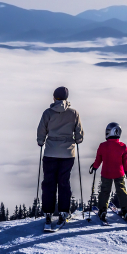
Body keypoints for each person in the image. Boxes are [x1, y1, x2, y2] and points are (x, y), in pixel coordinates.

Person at [37, 86, 84, 228]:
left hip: (50, 152)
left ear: (54, 97)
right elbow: (79, 135)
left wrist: (41, 142)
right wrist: (76, 141)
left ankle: (48, 212)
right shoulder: (74, 113)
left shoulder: (48, 113)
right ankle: (64, 211)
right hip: (67, 154)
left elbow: (41, 131)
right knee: (64, 182)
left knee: (49, 182)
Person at [90, 122, 127, 224]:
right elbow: (125, 161)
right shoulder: (122, 146)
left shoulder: (102, 146)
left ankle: (103, 211)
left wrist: (94, 167)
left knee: (105, 191)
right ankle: (126, 211)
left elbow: (98, 160)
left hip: (106, 173)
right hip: (119, 172)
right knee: (121, 191)